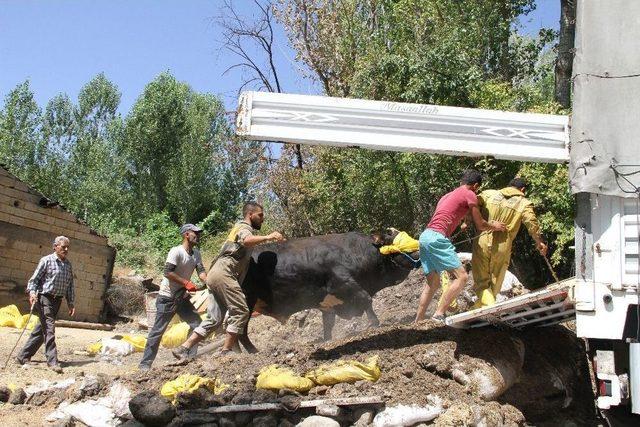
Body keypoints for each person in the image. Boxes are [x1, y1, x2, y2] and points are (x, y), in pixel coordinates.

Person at [171, 201, 284, 361]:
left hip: (215, 273)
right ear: (250, 215)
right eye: (260, 215)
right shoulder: (244, 227)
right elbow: (246, 240)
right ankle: (226, 351)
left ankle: (184, 348)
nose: (262, 219)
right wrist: (269, 236)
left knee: (214, 319)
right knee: (241, 310)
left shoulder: (238, 228)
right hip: (224, 273)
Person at [415, 170, 506, 323]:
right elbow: (481, 224)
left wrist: (464, 222)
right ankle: (439, 314)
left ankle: (418, 320)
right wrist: (495, 226)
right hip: (437, 238)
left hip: (425, 236)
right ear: (475, 185)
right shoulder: (470, 194)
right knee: (462, 277)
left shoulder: (447, 196)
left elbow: (452, 212)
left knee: (433, 282)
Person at [139, 224, 207, 370]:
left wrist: (208, 282)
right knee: (157, 332)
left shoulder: (196, 253)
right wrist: (186, 283)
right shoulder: (176, 251)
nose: (198, 235)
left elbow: (201, 271)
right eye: (195, 233)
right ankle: (144, 366)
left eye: (198, 233)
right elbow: (167, 272)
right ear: (186, 235)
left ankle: (188, 358)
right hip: (167, 298)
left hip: (182, 298)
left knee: (198, 325)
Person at [471, 177, 547, 308]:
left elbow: (471, 204)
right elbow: (532, 224)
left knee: (481, 280)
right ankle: (486, 306)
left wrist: (468, 221)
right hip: (503, 245)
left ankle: (485, 305)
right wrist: (539, 242)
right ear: (522, 189)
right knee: (496, 279)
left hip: (482, 240)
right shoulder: (524, 203)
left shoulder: (489, 194)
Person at [16, 236, 75, 373]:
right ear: (55, 247)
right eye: (63, 247)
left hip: (57, 300)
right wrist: (32, 293)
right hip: (44, 298)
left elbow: (70, 285)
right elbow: (34, 280)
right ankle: (52, 361)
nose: (66, 249)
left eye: (67, 247)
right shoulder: (46, 261)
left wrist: (71, 303)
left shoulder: (68, 265)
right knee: (49, 328)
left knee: (41, 330)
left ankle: (23, 356)